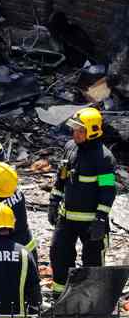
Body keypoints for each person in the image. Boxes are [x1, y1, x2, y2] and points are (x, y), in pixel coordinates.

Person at [48, 107, 118, 297]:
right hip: (66, 219)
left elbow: (108, 191)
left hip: (91, 223)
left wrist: (101, 219)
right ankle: (60, 299)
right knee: (58, 255)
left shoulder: (104, 158)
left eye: (80, 130)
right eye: (75, 129)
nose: (75, 134)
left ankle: (91, 303)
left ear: (93, 131)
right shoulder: (70, 147)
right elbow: (61, 178)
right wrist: (54, 202)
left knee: (93, 264)